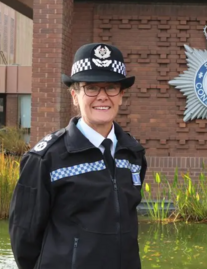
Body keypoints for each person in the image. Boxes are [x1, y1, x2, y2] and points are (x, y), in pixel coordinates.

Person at [9, 43, 147, 269]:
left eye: (111, 87)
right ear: (75, 95)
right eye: (91, 88)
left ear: (121, 95)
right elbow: (24, 237)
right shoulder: (46, 159)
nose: (102, 97)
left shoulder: (132, 153)